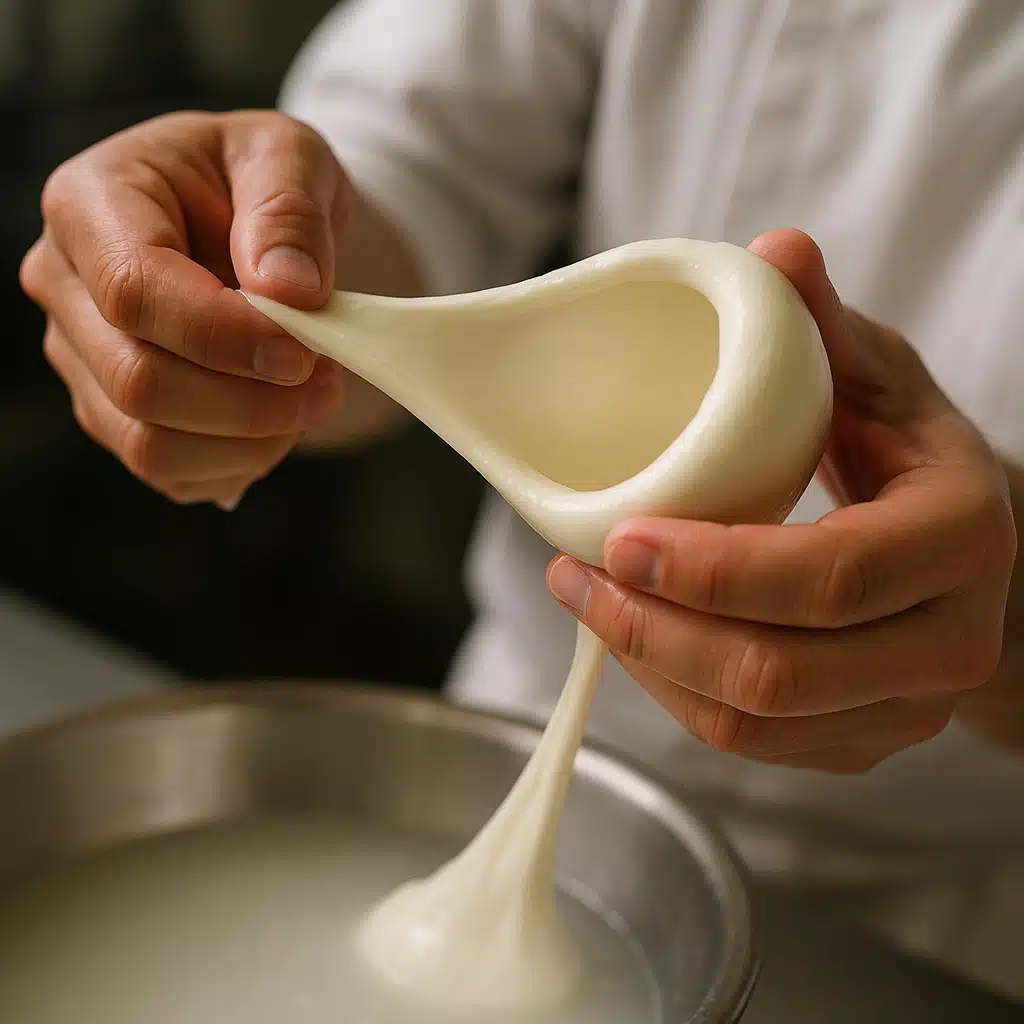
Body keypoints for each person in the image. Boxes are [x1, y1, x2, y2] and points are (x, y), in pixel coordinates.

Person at [19, 0, 1024, 999]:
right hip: (498, 747)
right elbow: (413, 166)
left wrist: (1005, 624)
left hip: (946, 917)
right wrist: (231, 271)